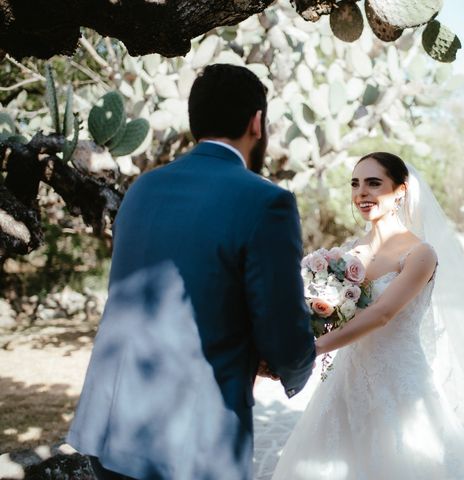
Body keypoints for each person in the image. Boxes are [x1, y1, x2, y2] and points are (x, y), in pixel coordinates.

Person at [66, 64, 316, 480]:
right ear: (257, 122)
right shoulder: (267, 202)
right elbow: (280, 327)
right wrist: (297, 365)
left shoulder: (142, 188)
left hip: (111, 421)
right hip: (190, 436)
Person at [271, 152, 464, 480]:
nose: (361, 193)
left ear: (400, 191)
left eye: (374, 183)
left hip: (400, 385)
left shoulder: (420, 254)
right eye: (355, 184)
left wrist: (313, 350)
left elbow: (383, 314)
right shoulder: (346, 254)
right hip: (346, 380)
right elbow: (326, 310)